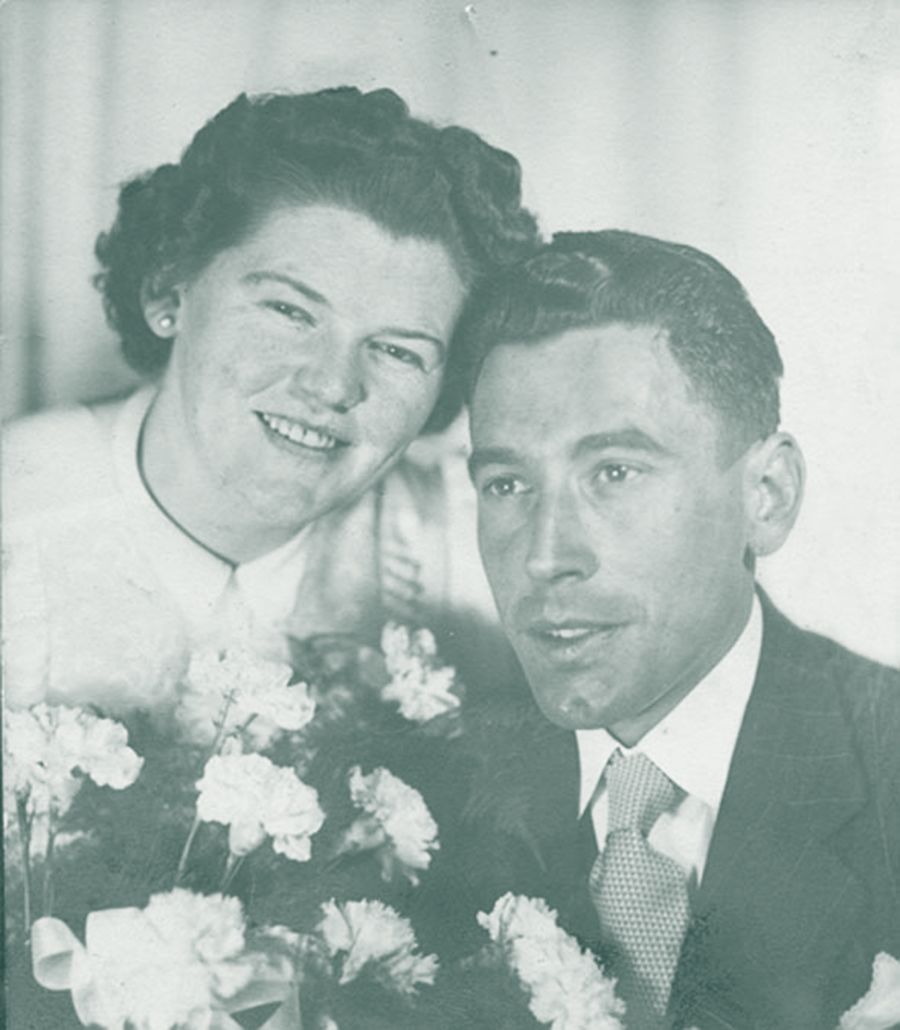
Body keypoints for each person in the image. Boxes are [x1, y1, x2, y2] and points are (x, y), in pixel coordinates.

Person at [452, 230, 900, 1028]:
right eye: (507, 483)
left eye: (614, 473)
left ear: (767, 495)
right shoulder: (421, 796)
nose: (546, 556)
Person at [2, 87, 538, 713]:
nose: (332, 386)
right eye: (289, 311)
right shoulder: (16, 524)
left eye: (398, 351)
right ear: (167, 292)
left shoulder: (468, 550)